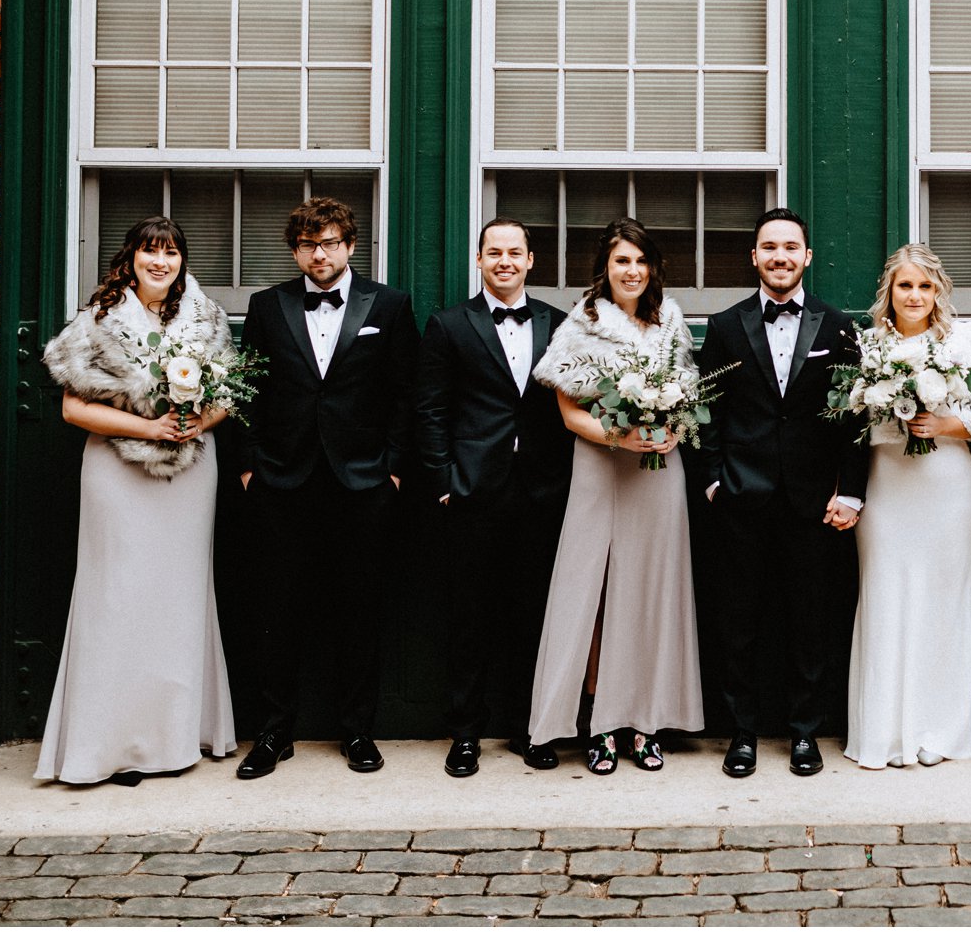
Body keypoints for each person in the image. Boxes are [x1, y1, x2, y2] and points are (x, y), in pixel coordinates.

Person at [36, 216, 237, 785]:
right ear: (131, 258)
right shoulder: (97, 321)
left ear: (182, 262)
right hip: (117, 470)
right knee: (116, 596)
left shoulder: (208, 318)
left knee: (179, 596)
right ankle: (111, 746)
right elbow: (74, 410)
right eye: (151, 252)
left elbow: (227, 396)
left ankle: (178, 735)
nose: (161, 262)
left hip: (190, 472)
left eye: (171, 253)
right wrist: (151, 431)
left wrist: (196, 423)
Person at [235, 197, 418, 778]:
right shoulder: (267, 306)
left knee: (358, 611)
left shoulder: (388, 305)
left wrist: (392, 468)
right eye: (311, 244)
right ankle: (272, 734)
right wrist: (248, 465)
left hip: (362, 482)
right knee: (277, 609)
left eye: (332, 242)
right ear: (296, 251)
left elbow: (405, 394)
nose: (321, 253)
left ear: (350, 246)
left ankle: (358, 731)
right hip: (282, 480)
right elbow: (247, 389)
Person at [693, 209, 870, 779]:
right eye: (769, 247)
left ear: (807, 256)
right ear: (754, 257)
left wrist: (853, 494)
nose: (780, 256)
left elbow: (854, 418)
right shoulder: (724, 325)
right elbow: (708, 408)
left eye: (791, 247)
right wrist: (716, 479)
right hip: (743, 497)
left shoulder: (838, 325)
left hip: (813, 501)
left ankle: (803, 733)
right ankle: (742, 732)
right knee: (738, 621)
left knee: (809, 621)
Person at [528, 217, 703, 774]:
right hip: (601, 468)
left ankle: (645, 723)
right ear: (604, 267)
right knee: (598, 594)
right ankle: (600, 724)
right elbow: (568, 411)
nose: (631, 270)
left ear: (653, 267)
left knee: (651, 592)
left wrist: (671, 429)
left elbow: (687, 392)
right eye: (621, 260)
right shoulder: (582, 324)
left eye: (640, 260)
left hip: (659, 472)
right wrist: (621, 437)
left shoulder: (669, 320)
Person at [414, 218, 574, 778]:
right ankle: (465, 734)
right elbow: (431, 410)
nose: (504, 261)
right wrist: (443, 484)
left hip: (541, 491)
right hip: (472, 492)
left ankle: (533, 729)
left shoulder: (559, 324)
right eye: (494, 252)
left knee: (533, 615)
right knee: (470, 617)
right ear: (478, 260)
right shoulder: (449, 324)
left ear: (532, 260)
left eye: (515, 253)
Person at [844, 244, 971, 769]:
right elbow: (853, 426)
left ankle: (941, 729)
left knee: (943, 599)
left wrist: (942, 424)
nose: (915, 296)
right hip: (889, 485)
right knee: (887, 594)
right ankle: (884, 731)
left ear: (939, 292)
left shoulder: (967, 340)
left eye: (925, 286)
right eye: (905, 286)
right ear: (890, 290)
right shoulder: (867, 346)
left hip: (947, 484)